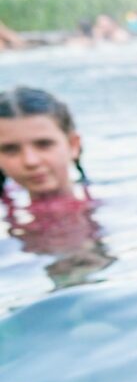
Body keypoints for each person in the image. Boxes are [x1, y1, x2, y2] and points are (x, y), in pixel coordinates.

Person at [0, 86, 113, 286]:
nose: (30, 161)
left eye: (44, 144)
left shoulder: (111, 207)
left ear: (73, 145)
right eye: (10, 149)